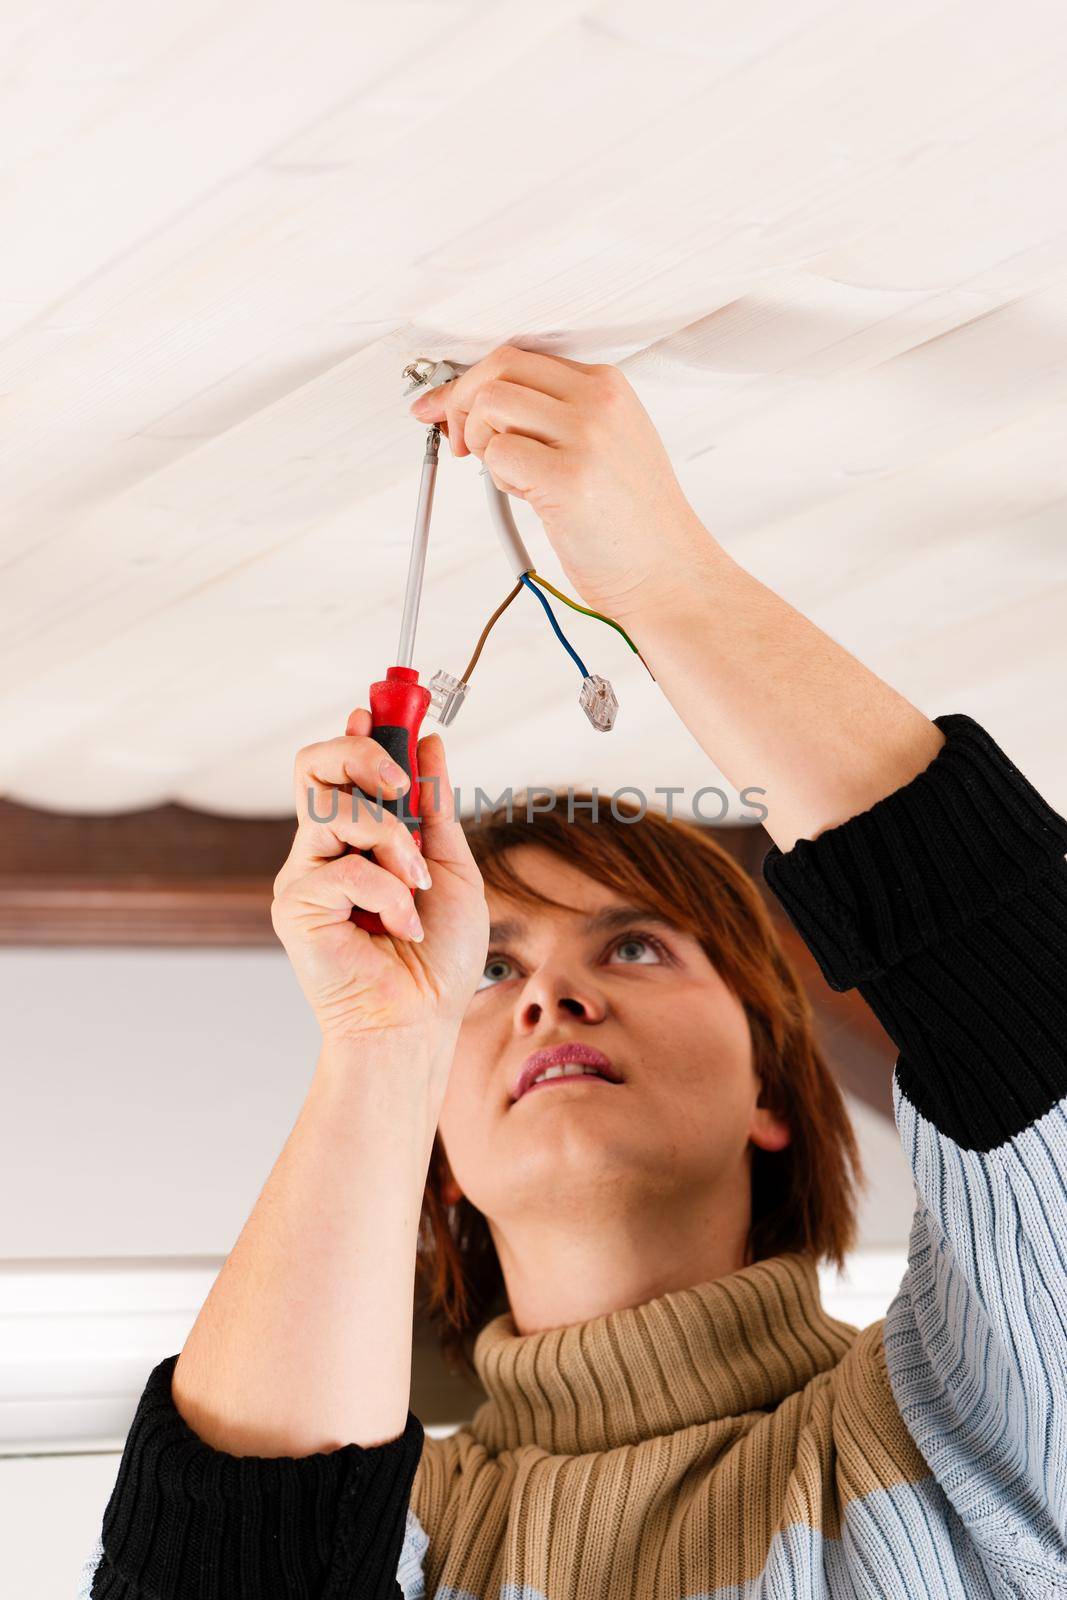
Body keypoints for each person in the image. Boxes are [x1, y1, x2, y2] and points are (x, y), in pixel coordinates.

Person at [78, 347, 1067, 1599]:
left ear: (772, 1085)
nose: (552, 995)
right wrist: (382, 1044)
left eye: (635, 944)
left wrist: (666, 579)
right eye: (488, 968)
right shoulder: (406, 1545)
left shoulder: (977, 1441)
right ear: (432, 1149)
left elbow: (1028, 1012)